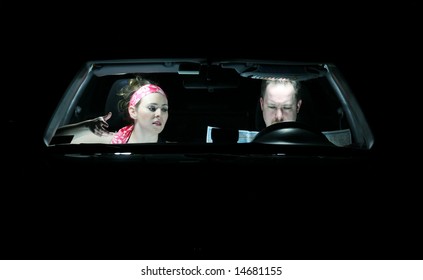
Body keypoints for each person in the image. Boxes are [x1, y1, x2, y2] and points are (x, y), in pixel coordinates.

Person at [55, 75, 169, 144]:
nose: (159, 114)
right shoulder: (108, 140)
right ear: (133, 112)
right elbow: (52, 139)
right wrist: (85, 126)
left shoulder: (173, 151)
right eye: (152, 108)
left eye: (164, 109)